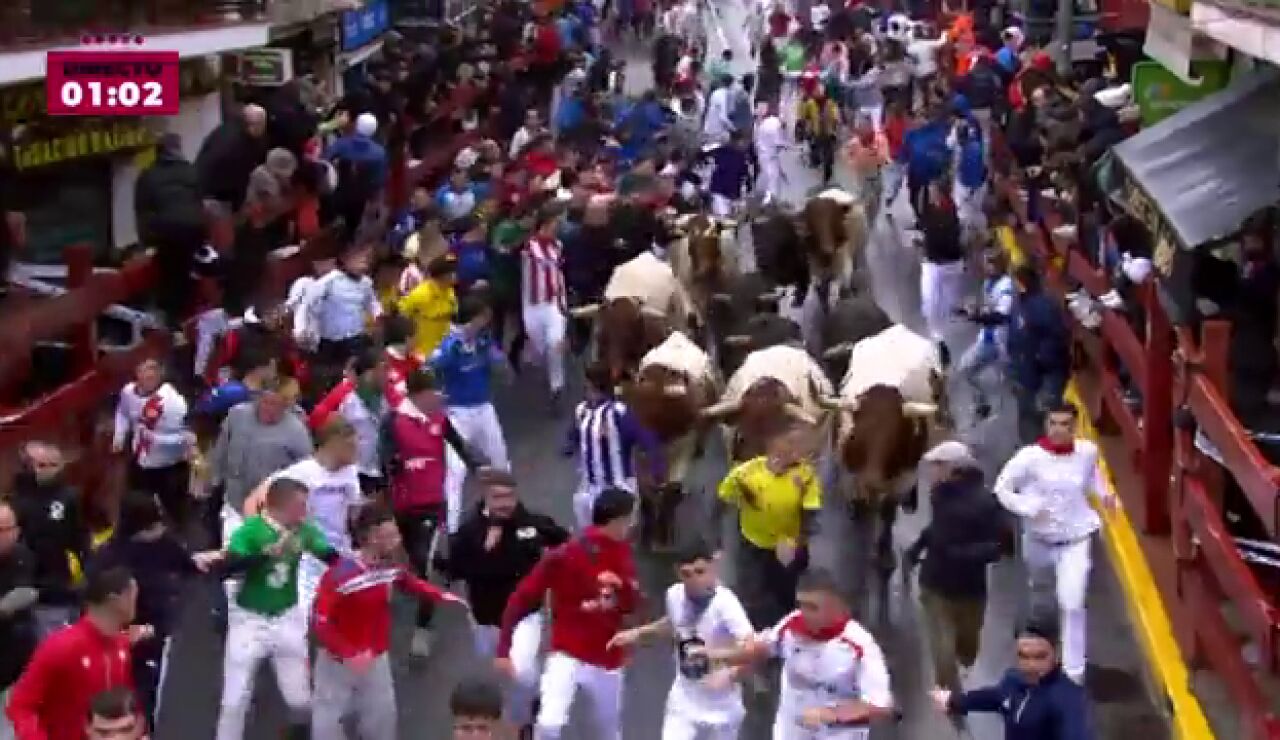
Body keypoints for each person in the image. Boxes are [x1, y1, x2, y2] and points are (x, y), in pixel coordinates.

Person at [311, 503, 467, 740]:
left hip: (376, 658)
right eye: (391, 535)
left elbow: (409, 582)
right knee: (328, 724)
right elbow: (320, 620)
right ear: (372, 538)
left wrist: (444, 597)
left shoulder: (389, 567)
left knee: (381, 721)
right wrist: (348, 653)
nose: (398, 539)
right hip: (337, 663)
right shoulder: (340, 575)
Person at [495, 488, 642, 740]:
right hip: (570, 652)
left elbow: (629, 606)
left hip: (606, 656)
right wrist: (504, 649)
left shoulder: (619, 552)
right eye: (630, 519)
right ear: (619, 520)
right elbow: (521, 599)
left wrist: (621, 585)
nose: (632, 526)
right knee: (554, 724)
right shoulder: (564, 556)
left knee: (595, 729)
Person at [994, 404, 1118, 684]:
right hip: (1038, 541)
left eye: (1065, 424)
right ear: (1046, 425)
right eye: (1054, 423)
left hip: (1075, 539)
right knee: (1042, 596)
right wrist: (1026, 507)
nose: (1059, 429)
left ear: (1075, 427)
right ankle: (1040, 654)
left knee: (1072, 602)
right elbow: (1002, 488)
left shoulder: (1087, 452)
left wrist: (1106, 495)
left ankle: (1074, 672)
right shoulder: (1028, 458)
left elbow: (1093, 478)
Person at [437, 469, 569, 732]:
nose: (505, 504)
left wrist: (555, 572)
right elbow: (454, 571)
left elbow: (565, 543)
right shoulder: (469, 531)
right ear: (485, 497)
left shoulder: (532, 524)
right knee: (496, 670)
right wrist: (482, 550)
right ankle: (509, 710)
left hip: (525, 615)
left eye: (509, 496)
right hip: (485, 616)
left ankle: (523, 724)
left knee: (521, 673)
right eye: (498, 498)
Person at [216, 478, 338, 740]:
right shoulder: (250, 531)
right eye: (301, 506)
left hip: (286, 617)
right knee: (234, 701)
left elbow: (330, 556)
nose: (305, 512)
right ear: (279, 506)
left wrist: (360, 568)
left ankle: (294, 734)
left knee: (301, 702)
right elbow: (228, 569)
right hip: (250, 620)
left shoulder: (303, 531)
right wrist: (265, 555)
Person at [709, 568, 895, 738]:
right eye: (801, 604)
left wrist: (830, 714)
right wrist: (725, 663)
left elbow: (880, 706)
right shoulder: (791, 625)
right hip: (791, 730)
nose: (804, 613)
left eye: (813, 607)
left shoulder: (860, 645)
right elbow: (762, 650)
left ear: (836, 607)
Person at [93, 491, 223, 727]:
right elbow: (93, 600)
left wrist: (211, 559)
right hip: (117, 636)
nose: (160, 530)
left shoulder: (164, 545)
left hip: (154, 635)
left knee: (147, 697)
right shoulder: (110, 558)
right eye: (153, 525)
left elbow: (187, 563)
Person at [608, 540, 754, 740]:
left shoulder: (727, 606)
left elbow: (752, 649)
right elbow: (672, 623)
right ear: (678, 572)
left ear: (714, 566)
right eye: (687, 574)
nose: (694, 580)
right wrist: (636, 634)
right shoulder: (674, 594)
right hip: (684, 702)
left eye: (700, 572)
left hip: (722, 709)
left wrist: (731, 674)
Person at [386, 368, 482, 657]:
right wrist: (392, 466)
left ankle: (423, 629)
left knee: (423, 567)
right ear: (417, 395)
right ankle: (448, 565)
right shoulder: (394, 421)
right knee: (411, 561)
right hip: (401, 505)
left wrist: (480, 468)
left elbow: (460, 446)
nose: (439, 397)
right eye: (433, 392)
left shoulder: (440, 419)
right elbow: (384, 457)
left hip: (431, 504)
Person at [904, 441, 1011, 691]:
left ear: (954, 469)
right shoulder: (938, 497)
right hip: (935, 585)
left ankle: (960, 668)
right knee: (942, 647)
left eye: (937, 466)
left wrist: (962, 554)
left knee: (968, 648)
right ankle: (950, 694)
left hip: (971, 588)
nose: (931, 473)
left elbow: (1001, 543)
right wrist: (918, 547)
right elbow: (938, 530)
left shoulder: (986, 501)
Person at [243, 418, 363, 619]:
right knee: (300, 619)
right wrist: (263, 538)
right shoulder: (301, 473)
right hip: (308, 557)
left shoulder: (350, 472)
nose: (356, 450)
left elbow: (354, 513)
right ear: (333, 442)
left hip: (339, 553)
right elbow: (252, 501)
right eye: (350, 445)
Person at [5, 566, 143, 740]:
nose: (136, 602)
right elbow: (20, 705)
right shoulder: (60, 647)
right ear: (115, 600)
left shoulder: (121, 646)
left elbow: (126, 703)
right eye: (132, 595)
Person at [713, 423, 820, 628]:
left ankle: (787, 631)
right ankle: (756, 635)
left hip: (786, 544)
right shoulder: (746, 472)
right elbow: (723, 498)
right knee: (753, 592)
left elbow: (811, 511)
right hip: (753, 541)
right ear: (773, 445)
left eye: (802, 445)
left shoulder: (805, 475)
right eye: (791, 443)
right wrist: (716, 540)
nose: (798, 449)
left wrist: (798, 541)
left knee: (786, 593)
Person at [430, 295, 513, 532]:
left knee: (500, 462)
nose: (487, 321)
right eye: (483, 316)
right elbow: (431, 365)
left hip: (484, 409)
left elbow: (502, 367)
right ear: (473, 317)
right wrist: (452, 351)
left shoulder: (484, 340)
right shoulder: (450, 343)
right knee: (456, 472)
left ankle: (506, 513)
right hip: (458, 415)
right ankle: (453, 528)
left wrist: (495, 358)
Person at [931, 618, 1094, 738]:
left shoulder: (1068, 699)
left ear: (1057, 654)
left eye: (1040, 657)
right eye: (1024, 656)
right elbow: (994, 697)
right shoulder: (1014, 680)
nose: (1031, 666)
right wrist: (953, 701)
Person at [564, 362, 665, 531]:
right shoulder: (581, 410)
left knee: (614, 537)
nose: (588, 390)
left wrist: (657, 467)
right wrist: (570, 444)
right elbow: (574, 434)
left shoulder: (619, 413)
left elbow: (647, 439)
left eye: (591, 386)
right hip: (589, 488)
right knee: (591, 536)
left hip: (617, 487)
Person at [8, 441, 90, 638]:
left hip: (59, 581)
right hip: (27, 582)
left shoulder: (69, 497)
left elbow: (79, 536)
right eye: (41, 465)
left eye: (52, 465)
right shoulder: (17, 502)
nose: (46, 471)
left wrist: (87, 568)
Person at [112, 359, 195, 531]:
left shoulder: (173, 403)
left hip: (168, 465)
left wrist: (156, 439)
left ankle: (181, 539)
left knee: (175, 509)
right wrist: (119, 436)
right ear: (137, 374)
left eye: (153, 375)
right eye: (145, 374)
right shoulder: (128, 392)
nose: (149, 378)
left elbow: (186, 438)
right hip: (141, 460)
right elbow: (122, 412)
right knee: (136, 502)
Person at [134, 132, 206, 330]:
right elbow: (201, 202)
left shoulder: (148, 176)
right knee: (188, 273)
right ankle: (189, 319)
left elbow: (143, 212)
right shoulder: (191, 171)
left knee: (169, 276)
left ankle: (172, 322)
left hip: (166, 234)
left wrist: (146, 242)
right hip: (194, 230)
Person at [1006, 264, 1070, 443]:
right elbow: (1013, 332)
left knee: (1046, 413)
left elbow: (1056, 336)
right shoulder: (1019, 303)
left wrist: (1041, 359)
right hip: (1024, 372)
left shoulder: (1043, 306)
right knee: (1027, 415)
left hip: (1041, 372)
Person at [956, 248, 1014, 421]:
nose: (987, 267)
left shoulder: (1006, 285)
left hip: (999, 340)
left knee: (967, 370)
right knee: (967, 370)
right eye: (986, 263)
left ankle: (989, 408)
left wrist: (976, 317)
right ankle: (984, 405)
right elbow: (988, 308)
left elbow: (1001, 316)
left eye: (991, 263)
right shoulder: (988, 283)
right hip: (987, 337)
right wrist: (967, 311)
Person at [521, 209, 570, 408]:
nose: (555, 229)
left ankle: (556, 387)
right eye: (551, 226)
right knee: (540, 348)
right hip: (533, 305)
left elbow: (560, 272)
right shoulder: (528, 247)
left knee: (555, 343)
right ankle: (546, 370)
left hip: (553, 303)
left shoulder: (558, 246)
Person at [917, 178, 965, 366]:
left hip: (948, 263)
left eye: (933, 190)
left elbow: (946, 236)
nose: (931, 194)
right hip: (934, 262)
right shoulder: (931, 209)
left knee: (945, 304)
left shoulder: (950, 212)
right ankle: (937, 339)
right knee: (930, 303)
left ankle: (940, 338)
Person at [0, 501, 36, 740]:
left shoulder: (24, 557)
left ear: (16, 531)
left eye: (3, 530)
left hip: (16, 660)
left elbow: (29, 592)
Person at [399, 255, 460, 359]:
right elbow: (401, 317)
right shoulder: (420, 294)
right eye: (452, 271)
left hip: (444, 350)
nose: (456, 274)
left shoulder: (449, 291)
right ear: (442, 275)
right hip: (423, 353)